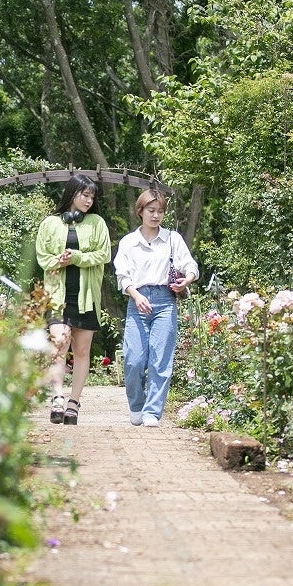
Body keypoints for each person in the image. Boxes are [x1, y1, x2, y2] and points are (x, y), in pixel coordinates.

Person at [113, 189, 198, 427]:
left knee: (160, 360)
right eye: (151, 211)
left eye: (160, 211)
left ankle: (152, 412)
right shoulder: (129, 242)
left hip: (165, 301)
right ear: (140, 211)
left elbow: (189, 264)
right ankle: (137, 405)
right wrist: (136, 295)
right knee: (134, 359)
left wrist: (187, 280)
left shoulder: (172, 238)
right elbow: (122, 274)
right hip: (137, 300)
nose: (156, 215)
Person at [34, 174, 111, 425]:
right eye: (84, 195)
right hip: (58, 295)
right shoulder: (50, 223)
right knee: (59, 343)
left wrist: (76, 257)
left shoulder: (97, 223)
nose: (89, 200)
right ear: (72, 193)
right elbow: (42, 257)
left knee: (81, 350)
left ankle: (74, 403)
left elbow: (103, 254)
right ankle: (57, 397)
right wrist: (60, 260)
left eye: (92, 196)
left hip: (86, 296)